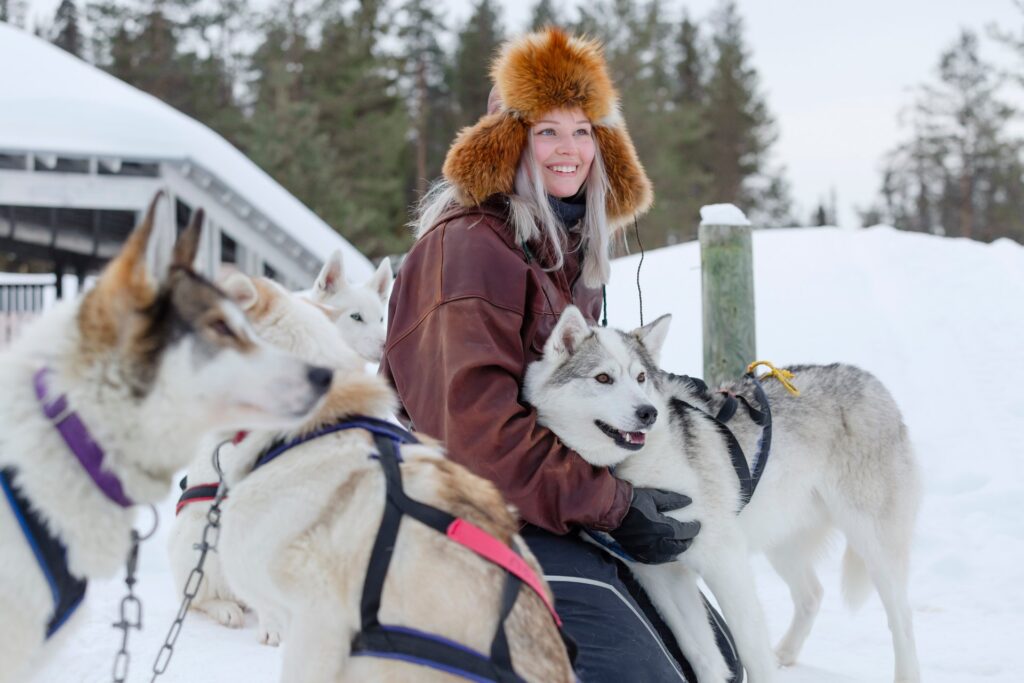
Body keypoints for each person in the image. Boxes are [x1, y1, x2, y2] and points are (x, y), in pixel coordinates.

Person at [382, 28, 740, 682]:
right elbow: (474, 434)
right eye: (547, 130)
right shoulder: (469, 249)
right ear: (510, 140)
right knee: (647, 675)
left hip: (541, 504)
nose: (568, 149)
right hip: (463, 513)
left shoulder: (560, 248)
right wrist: (612, 505)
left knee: (715, 660)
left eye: (584, 130)